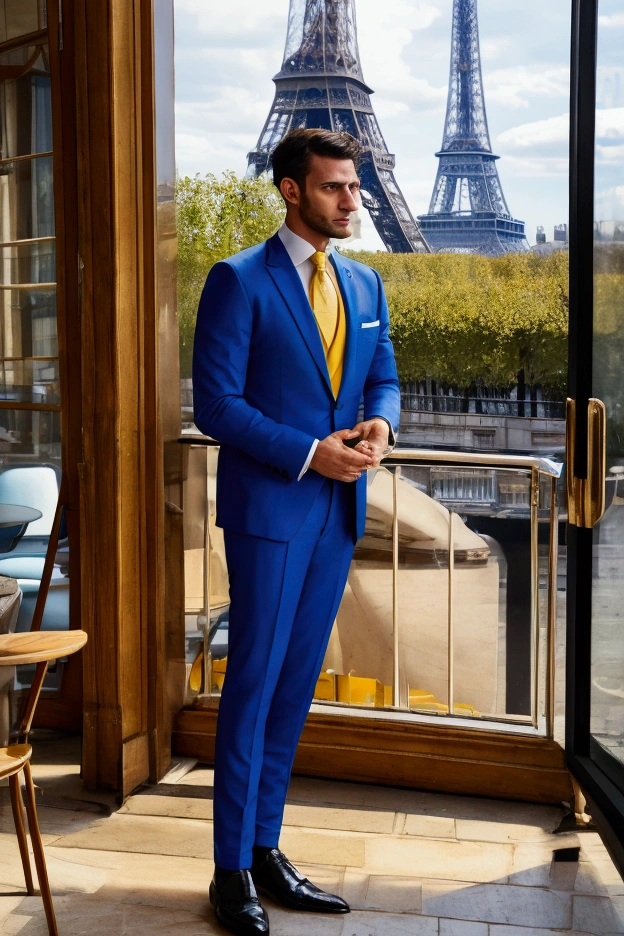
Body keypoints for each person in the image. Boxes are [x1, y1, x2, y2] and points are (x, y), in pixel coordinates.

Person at [192, 128, 400, 936]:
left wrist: (378, 425)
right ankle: (229, 868)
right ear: (290, 190)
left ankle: (267, 848)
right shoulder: (237, 281)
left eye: (355, 187)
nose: (354, 200)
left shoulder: (367, 283)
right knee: (250, 686)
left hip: (335, 518)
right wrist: (313, 453)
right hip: (271, 515)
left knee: (292, 687)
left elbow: (380, 376)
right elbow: (216, 406)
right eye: (336, 188)